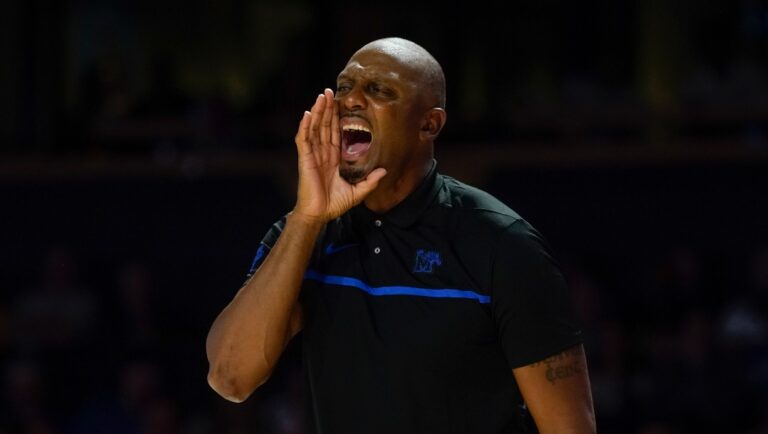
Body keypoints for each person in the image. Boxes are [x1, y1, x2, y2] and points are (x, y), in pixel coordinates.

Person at [206, 37, 596, 434]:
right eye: (344, 87)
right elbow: (229, 377)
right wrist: (306, 218)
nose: (351, 100)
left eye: (379, 90)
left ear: (429, 124)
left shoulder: (502, 245)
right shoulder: (304, 235)